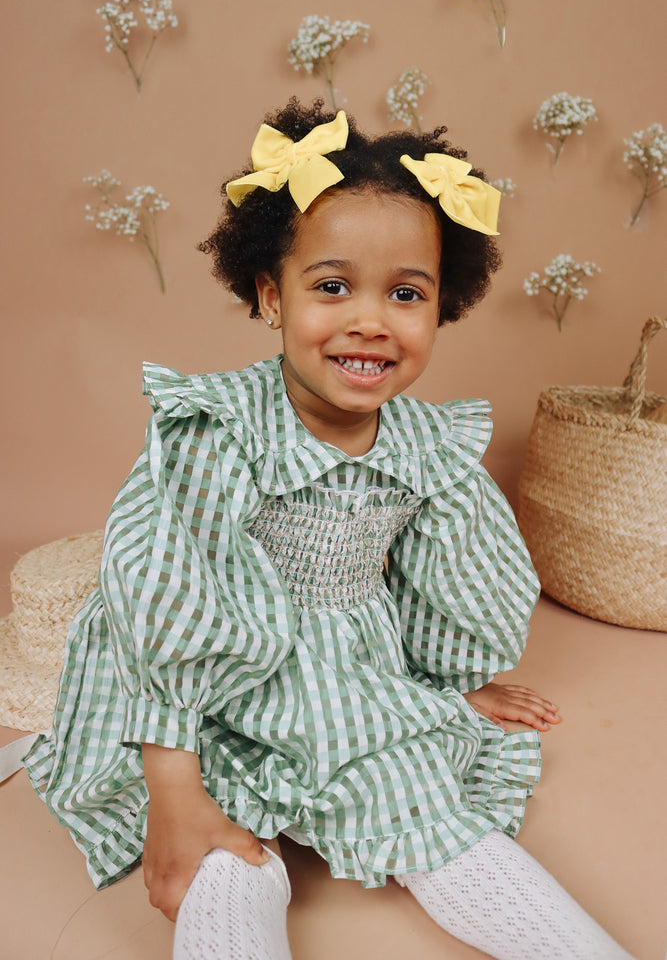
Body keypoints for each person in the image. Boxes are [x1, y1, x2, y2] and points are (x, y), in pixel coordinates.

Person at [23, 98, 634, 960]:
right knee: (225, 859)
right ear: (271, 296)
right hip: (205, 701)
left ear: (443, 306)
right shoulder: (218, 432)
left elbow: (434, 574)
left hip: (346, 677)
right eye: (332, 286)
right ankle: (226, 870)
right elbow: (162, 603)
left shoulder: (426, 444)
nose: (369, 321)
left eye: (406, 294)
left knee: (434, 816)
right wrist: (173, 789)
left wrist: (446, 683)